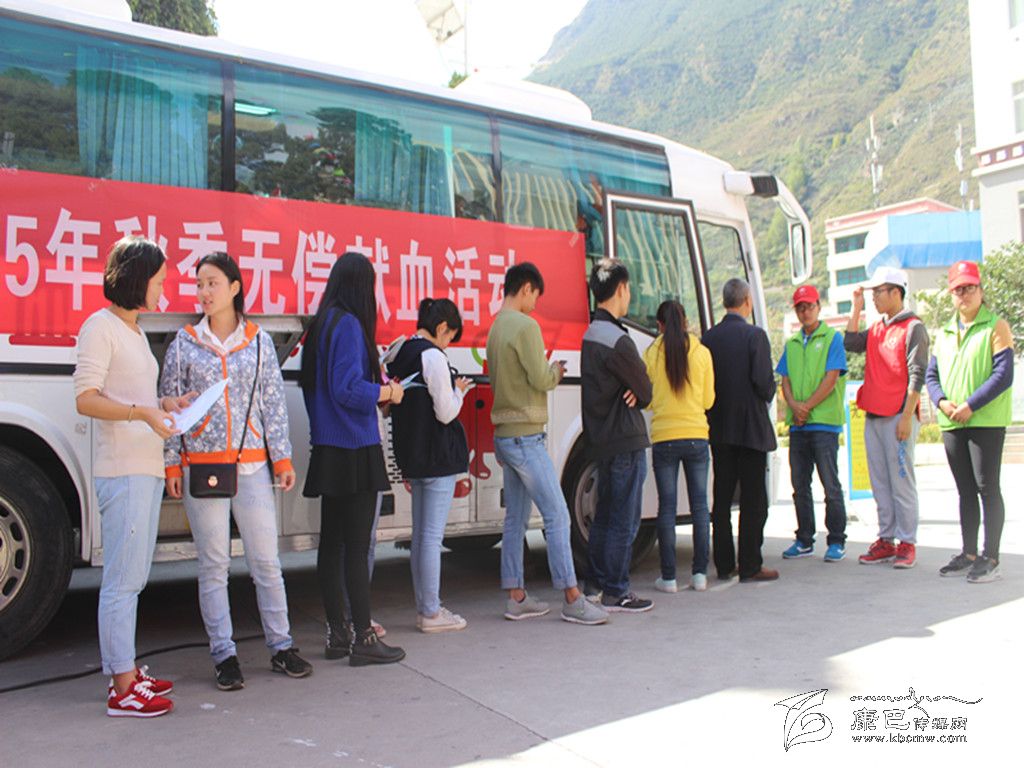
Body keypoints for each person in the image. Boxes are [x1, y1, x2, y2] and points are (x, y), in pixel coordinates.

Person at [160, 252, 312, 690]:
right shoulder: (184, 343)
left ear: (234, 288)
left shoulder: (259, 342)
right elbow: (170, 406)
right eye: (199, 284)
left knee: (266, 561)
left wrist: (281, 459)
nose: (204, 292)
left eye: (212, 283)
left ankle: (281, 646)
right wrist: (172, 461)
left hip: (252, 467)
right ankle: (224, 655)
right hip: (202, 468)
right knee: (214, 565)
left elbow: (272, 404)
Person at [74, 236, 191, 717]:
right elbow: (86, 398)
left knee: (134, 579)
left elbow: (136, 396)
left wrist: (164, 404)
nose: (163, 290)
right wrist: (142, 413)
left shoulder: (135, 332)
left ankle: (126, 670)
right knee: (122, 582)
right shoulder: (99, 328)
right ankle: (122, 688)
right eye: (159, 281)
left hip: (143, 469)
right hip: (122, 471)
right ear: (137, 279)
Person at [486, 262, 608, 625]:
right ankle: (572, 598)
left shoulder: (496, 327)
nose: (535, 304)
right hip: (526, 436)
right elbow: (540, 378)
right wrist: (556, 371)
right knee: (557, 514)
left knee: (516, 519)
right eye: (535, 296)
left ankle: (516, 596)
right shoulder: (526, 327)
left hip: (505, 435)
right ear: (526, 288)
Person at [300, 252, 406, 665]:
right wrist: (387, 392)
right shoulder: (347, 324)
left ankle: (338, 634)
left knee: (331, 546)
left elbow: (322, 389)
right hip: (355, 447)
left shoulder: (321, 325)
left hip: (329, 447)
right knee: (358, 548)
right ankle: (364, 637)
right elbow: (346, 388)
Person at [926, 260, 1014, 583]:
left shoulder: (995, 326)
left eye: (969, 288)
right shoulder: (944, 332)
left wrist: (970, 405)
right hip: (952, 422)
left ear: (980, 290)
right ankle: (969, 552)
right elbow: (932, 375)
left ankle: (991, 557)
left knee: (987, 487)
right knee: (965, 490)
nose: (964, 294)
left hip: (985, 421)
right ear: (951, 295)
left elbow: (1003, 374)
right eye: (958, 289)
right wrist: (941, 401)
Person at [388, 298, 471, 632]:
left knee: (421, 537)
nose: (448, 344)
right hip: (438, 456)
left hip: (414, 455)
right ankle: (431, 612)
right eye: (450, 336)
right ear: (441, 328)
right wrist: (459, 391)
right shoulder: (433, 356)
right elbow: (446, 412)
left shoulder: (402, 351)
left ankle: (426, 608)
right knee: (431, 538)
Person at [581, 258, 655, 612]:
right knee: (624, 519)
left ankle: (595, 585)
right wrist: (637, 391)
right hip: (625, 439)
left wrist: (634, 390)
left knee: (604, 516)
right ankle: (617, 590)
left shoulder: (591, 333)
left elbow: (634, 388)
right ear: (621, 289)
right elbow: (646, 390)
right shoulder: (618, 340)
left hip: (602, 440)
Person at [844, 266, 928, 569]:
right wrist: (856, 306)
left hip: (898, 416)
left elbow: (917, 374)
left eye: (879, 292)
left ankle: (907, 542)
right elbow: (850, 343)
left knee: (901, 481)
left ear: (896, 292)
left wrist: (907, 417)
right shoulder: (877, 328)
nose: (875, 297)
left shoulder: (913, 327)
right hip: (874, 415)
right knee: (879, 482)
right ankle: (886, 539)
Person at [702, 278, 778, 583]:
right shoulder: (755, 336)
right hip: (751, 430)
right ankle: (750, 564)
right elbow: (764, 383)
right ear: (747, 301)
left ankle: (723, 564)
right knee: (753, 500)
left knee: (721, 499)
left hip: (719, 428)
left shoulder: (708, 339)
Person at [642, 300, 715, 593]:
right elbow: (709, 400)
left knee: (667, 508)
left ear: (659, 325)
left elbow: (646, 400)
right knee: (700, 507)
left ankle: (669, 578)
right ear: (685, 321)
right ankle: (699, 575)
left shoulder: (651, 353)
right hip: (697, 436)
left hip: (664, 438)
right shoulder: (702, 352)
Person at [776, 285, 848, 563]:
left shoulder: (832, 338)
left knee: (830, 484)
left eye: (809, 306)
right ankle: (805, 539)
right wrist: (794, 406)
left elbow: (831, 378)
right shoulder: (792, 343)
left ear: (819, 306)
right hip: (798, 425)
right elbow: (784, 379)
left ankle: (836, 540)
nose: (805, 312)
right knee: (800, 485)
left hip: (824, 424)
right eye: (800, 307)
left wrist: (806, 406)